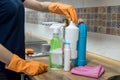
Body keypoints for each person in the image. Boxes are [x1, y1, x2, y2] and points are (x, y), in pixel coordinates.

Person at [0, 0, 78, 80]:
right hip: (3, 67)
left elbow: (39, 5)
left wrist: (56, 6)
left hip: (12, 67)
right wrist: (20, 64)